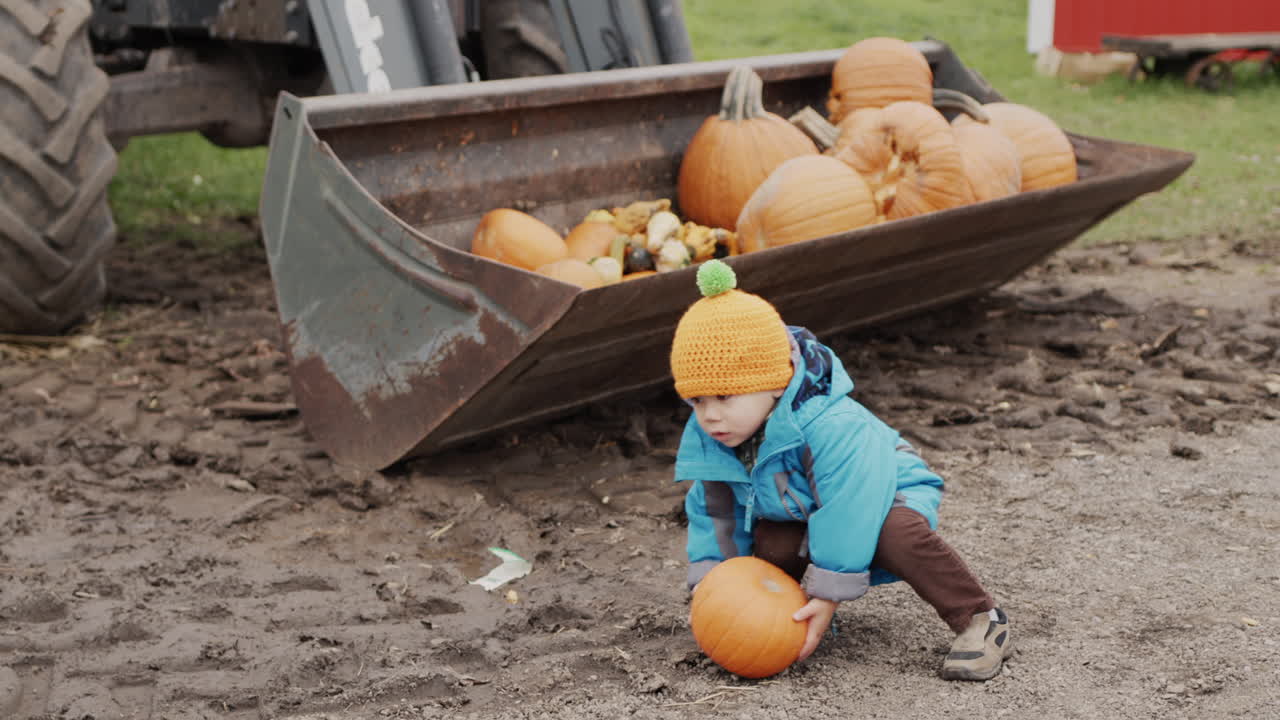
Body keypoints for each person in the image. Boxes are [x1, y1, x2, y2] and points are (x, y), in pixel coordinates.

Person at [669, 259, 1012, 681]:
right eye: (697, 401)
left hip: (884, 493)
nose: (710, 416)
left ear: (776, 382)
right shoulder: (716, 436)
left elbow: (851, 506)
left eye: (724, 396)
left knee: (896, 536)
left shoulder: (829, 425)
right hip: (806, 508)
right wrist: (714, 585)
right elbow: (716, 513)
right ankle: (788, 612)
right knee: (773, 544)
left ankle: (980, 618)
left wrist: (828, 594)